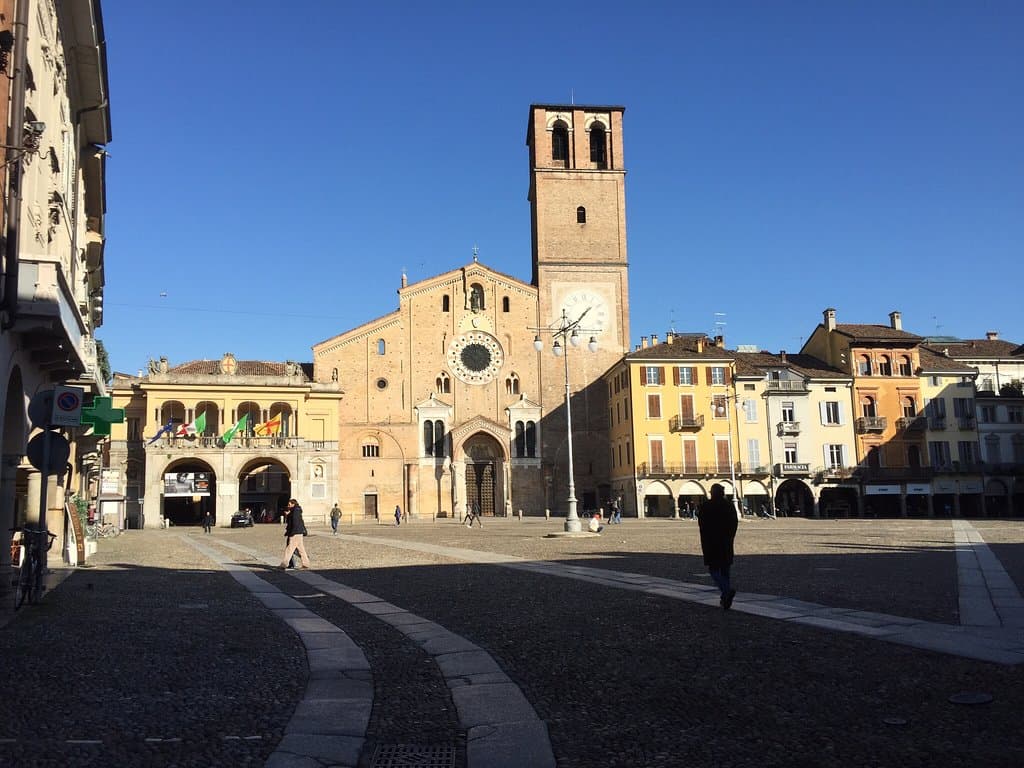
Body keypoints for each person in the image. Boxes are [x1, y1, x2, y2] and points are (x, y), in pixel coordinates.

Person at [698, 484, 738, 610]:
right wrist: (730, 536)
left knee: (713, 569)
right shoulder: (729, 505)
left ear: (712, 493)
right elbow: (734, 523)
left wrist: (706, 538)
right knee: (725, 570)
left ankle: (726, 591)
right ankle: (725, 597)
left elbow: (702, 525)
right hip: (726, 542)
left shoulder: (706, 506)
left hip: (711, 542)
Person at [280, 499, 311, 570]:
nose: (288, 506)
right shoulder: (295, 511)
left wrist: (292, 533)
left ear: (293, 504)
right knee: (301, 549)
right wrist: (288, 515)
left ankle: (284, 564)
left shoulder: (295, 511)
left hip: (295, 533)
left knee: (289, 549)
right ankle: (306, 563)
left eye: (289, 504)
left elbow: (295, 522)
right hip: (299, 532)